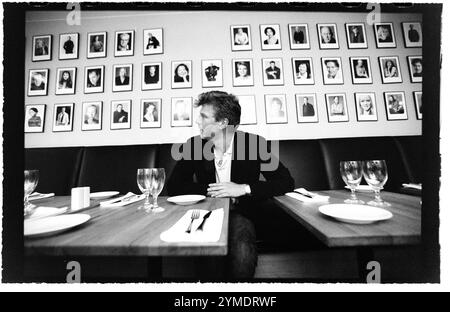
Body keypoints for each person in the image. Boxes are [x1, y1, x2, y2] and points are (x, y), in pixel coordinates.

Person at [167, 90, 294, 279]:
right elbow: (174, 186)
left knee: (242, 244)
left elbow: (286, 182)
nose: (197, 121)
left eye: (203, 116)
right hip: (206, 213)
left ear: (223, 123)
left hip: (242, 213)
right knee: (208, 248)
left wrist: (243, 189)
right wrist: (214, 191)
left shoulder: (253, 144)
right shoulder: (194, 146)